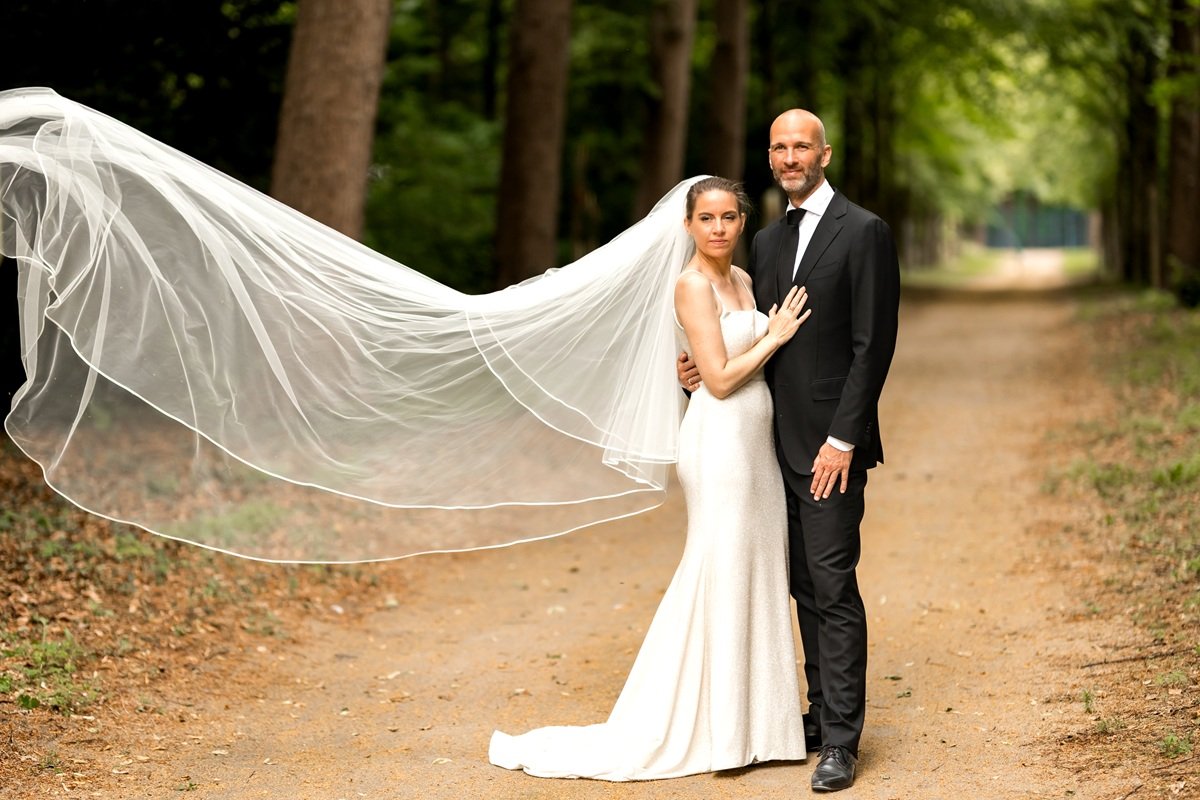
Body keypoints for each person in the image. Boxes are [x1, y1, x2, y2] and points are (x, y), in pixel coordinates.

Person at [488, 177, 815, 780]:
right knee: (716, 567)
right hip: (718, 443)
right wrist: (773, 336)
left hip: (754, 445)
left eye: (729, 218)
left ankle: (755, 726)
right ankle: (707, 732)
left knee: (755, 567)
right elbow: (717, 381)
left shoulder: (741, 281)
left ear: (742, 223)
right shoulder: (691, 285)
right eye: (707, 218)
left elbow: (706, 364)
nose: (719, 228)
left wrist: (752, 347)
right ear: (688, 226)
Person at [678, 110, 900, 792]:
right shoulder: (765, 245)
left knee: (832, 587)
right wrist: (699, 371)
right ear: (769, 157)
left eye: (801, 144)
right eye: (779, 146)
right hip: (763, 450)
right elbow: (753, 342)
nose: (790, 155)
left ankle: (841, 741)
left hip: (829, 447)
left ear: (824, 152)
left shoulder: (864, 231)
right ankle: (816, 710)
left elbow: (873, 346)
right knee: (799, 585)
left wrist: (844, 437)